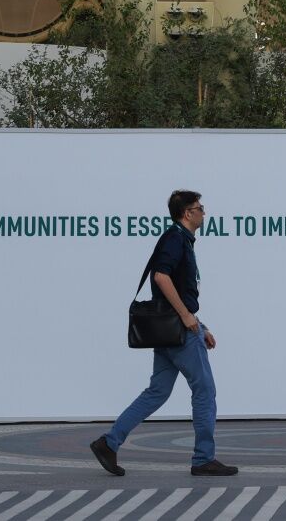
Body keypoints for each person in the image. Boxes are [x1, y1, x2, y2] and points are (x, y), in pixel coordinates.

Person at [91, 190, 237, 477]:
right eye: (200, 208)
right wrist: (187, 318)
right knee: (205, 390)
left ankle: (109, 442)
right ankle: (203, 459)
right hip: (180, 332)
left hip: (170, 332)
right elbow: (161, 277)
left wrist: (200, 324)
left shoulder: (178, 239)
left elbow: (177, 290)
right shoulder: (175, 239)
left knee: (157, 392)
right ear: (188, 213)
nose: (204, 213)